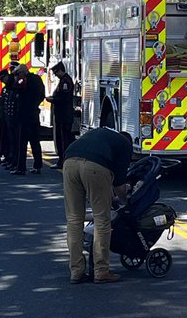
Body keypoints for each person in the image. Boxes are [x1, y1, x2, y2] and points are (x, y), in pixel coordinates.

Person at [63, 127, 133, 285]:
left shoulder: (100, 134)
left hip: (69, 162)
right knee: (102, 219)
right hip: (94, 166)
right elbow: (119, 185)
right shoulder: (125, 145)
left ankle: (76, 271)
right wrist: (126, 201)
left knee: (74, 219)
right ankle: (101, 271)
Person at [49, 62, 77, 168]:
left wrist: (52, 99)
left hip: (64, 115)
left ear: (61, 70)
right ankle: (62, 160)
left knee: (64, 139)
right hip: (61, 115)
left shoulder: (66, 81)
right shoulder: (63, 81)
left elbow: (64, 98)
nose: (56, 75)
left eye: (56, 73)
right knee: (62, 138)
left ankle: (64, 160)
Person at [19, 63, 46, 174]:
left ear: (22, 73)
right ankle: (38, 165)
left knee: (22, 142)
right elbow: (41, 94)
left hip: (25, 115)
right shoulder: (37, 79)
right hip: (34, 114)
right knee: (35, 142)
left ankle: (21, 167)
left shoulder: (25, 82)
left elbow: (20, 93)